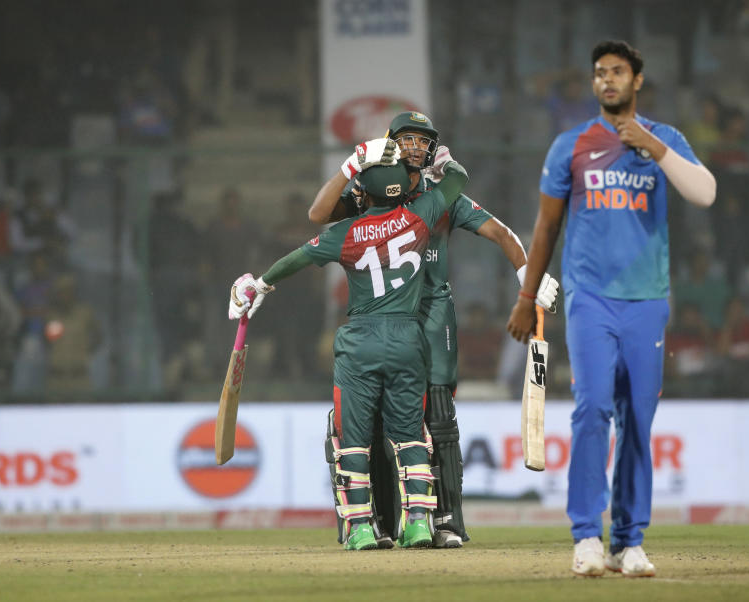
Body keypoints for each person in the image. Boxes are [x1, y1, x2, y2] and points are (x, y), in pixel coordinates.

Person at [506, 40, 716, 577]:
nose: (607, 80)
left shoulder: (664, 139)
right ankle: (586, 537)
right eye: (600, 73)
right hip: (590, 298)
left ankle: (629, 540)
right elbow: (547, 227)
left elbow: (705, 193)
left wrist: (652, 146)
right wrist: (528, 297)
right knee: (593, 406)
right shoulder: (570, 146)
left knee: (637, 420)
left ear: (637, 80)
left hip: (647, 301)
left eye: (617, 72)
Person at [308, 111, 559, 548]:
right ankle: (375, 522)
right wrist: (351, 166)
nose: (416, 147)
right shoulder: (368, 189)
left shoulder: (442, 194)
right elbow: (321, 213)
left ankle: (443, 521)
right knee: (367, 423)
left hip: (430, 312)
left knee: (438, 418)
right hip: (376, 317)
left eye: (424, 141)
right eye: (407, 138)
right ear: (389, 142)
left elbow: (501, 233)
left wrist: (527, 278)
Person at [229, 147, 469, 551]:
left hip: (361, 342)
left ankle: (360, 528)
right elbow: (458, 181)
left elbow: (296, 258)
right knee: (411, 438)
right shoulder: (419, 215)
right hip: (410, 340)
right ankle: (419, 526)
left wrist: (261, 284)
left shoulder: (345, 234)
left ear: (364, 193)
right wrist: (443, 163)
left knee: (353, 440)